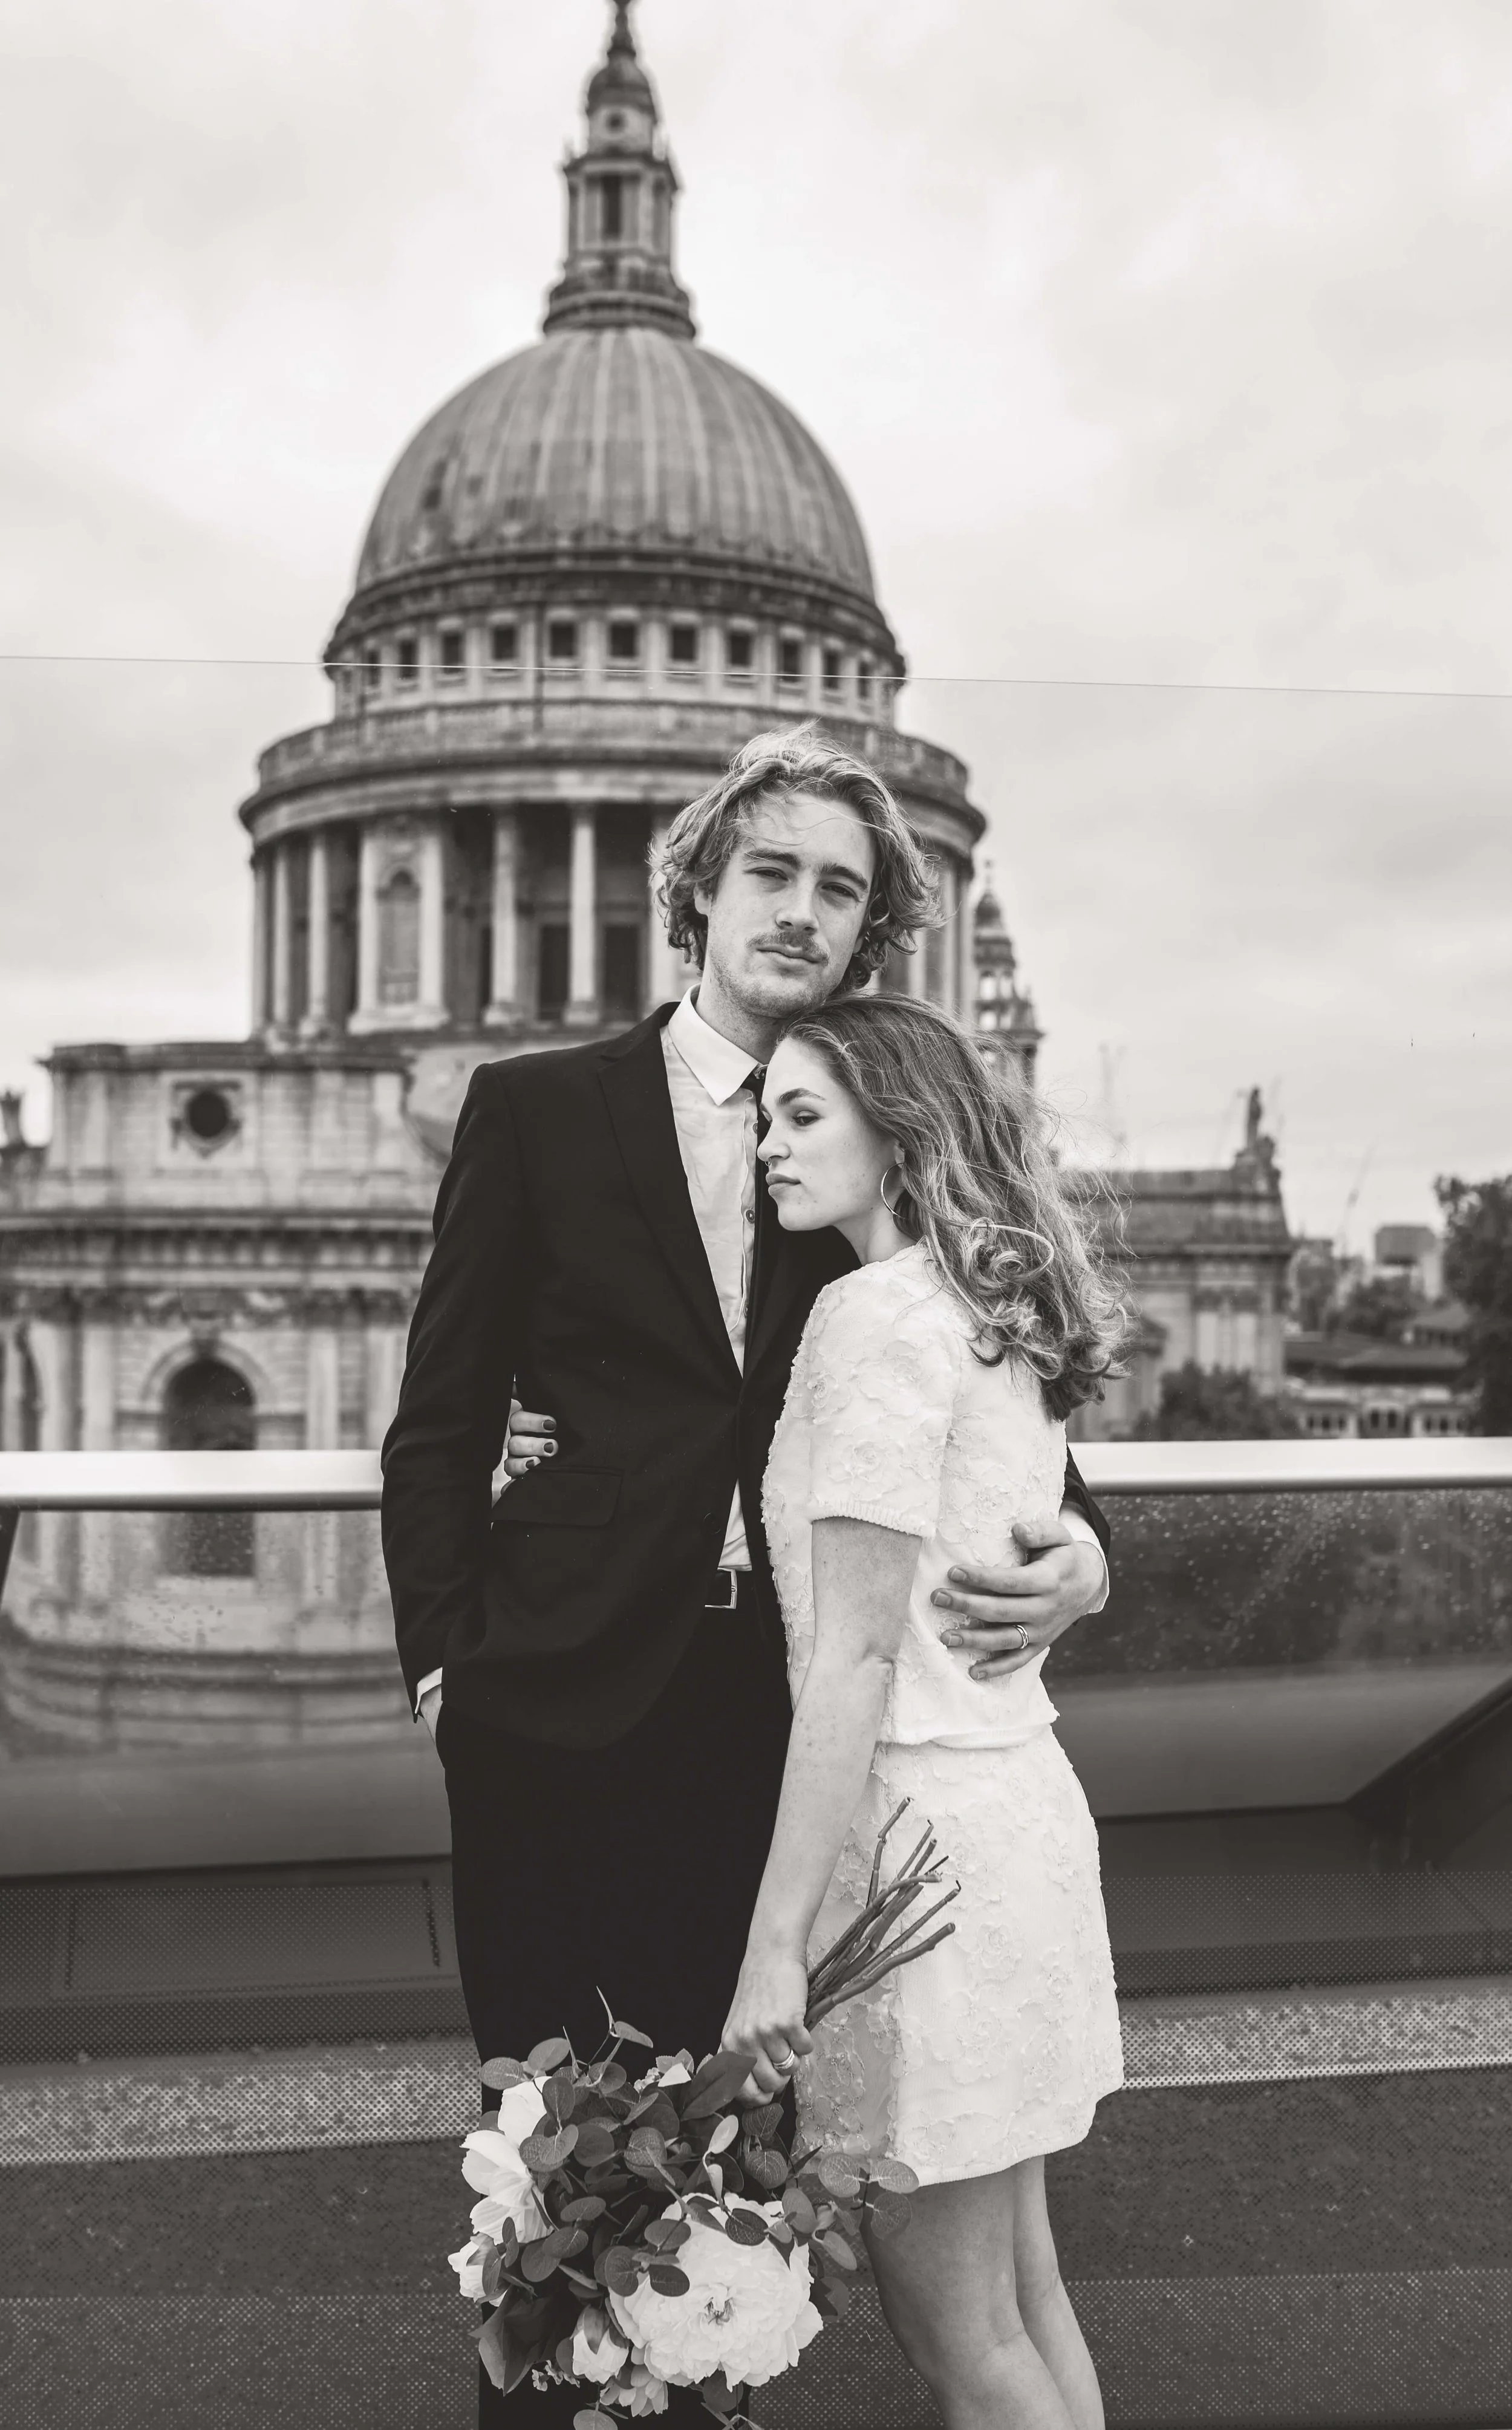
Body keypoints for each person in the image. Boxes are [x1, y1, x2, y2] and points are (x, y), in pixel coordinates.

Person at [380, 726, 1111, 2428]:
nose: (800, 910)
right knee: (550, 2187)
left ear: (871, 935)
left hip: (780, 1729)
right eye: (770, 872)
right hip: (550, 1704)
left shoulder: (864, 1133)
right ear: (696, 888)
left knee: (736, 2200)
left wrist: (1082, 1548)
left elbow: (996, 1396)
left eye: (839, 890)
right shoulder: (535, 1108)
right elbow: (441, 1414)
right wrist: (445, 1668)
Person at [722, 992, 1127, 2430]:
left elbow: (853, 1658)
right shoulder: (993, 1305)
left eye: (801, 1113)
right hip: (1012, 1814)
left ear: (894, 1128)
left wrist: (772, 1945)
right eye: (763, 1112)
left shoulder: (873, 1315)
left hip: (914, 1858)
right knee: (1021, 2290)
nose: (766, 1144)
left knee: (956, 2330)